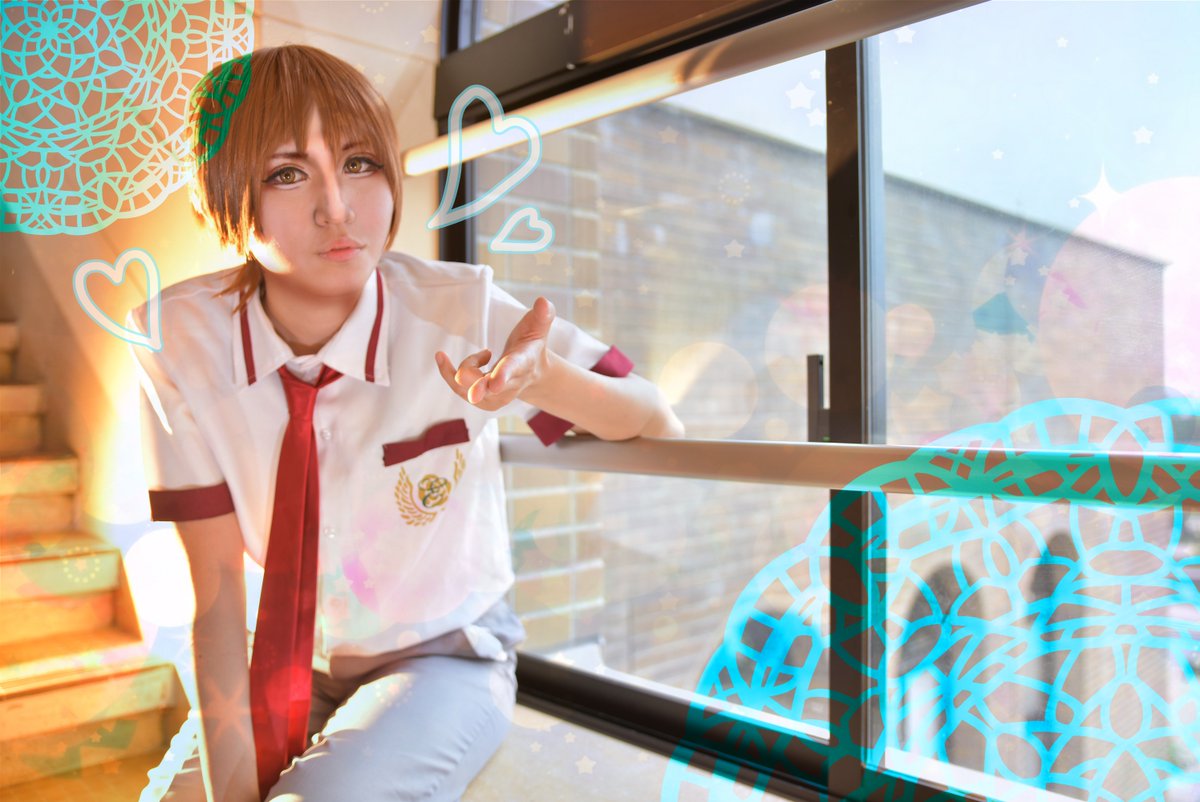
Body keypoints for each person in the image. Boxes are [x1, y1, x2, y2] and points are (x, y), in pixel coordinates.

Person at [133, 44, 683, 802]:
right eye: (287, 174)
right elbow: (217, 592)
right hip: (283, 656)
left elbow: (655, 418)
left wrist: (546, 378)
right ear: (216, 196)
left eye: (359, 164)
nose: (338, 208)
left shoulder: (459, 309)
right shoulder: (177, 338)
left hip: (441, 657)